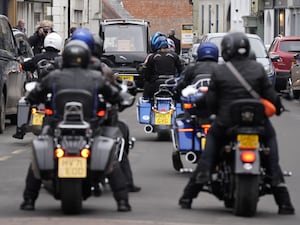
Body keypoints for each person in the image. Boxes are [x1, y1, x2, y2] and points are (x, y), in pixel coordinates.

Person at [178, 32, 295, 215]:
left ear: (226, 50)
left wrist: (201, 106)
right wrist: (279, 107)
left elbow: (211, 100)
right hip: (258, 124)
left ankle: (188, 195)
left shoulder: (220, 71)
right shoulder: (258, 69)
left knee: (209, 155)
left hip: (226, 124)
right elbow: (271, 96)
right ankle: (283, 200)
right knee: (271, 154)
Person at [20, 40, 132, 212]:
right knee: (111, 160)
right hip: (91, 127)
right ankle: (122, 202)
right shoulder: (96, 78)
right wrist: (122, 100)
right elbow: (116, 96)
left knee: (37, 157)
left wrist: (31, 98)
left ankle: (29, 200)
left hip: (57, 126)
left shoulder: (54, 76)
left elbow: (34, 94)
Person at [70, 28, 141, 193]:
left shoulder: (58, 68)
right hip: (95, 122)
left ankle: (30, 195)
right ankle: (126, 183)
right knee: (119, 136)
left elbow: (41, 88)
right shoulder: (102, 71)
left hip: (63, 121)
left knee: (45, 137)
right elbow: (116, 95)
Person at [12, 32, 63, 140]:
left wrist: (21, 65)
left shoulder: (38, 57)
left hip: (41, 87)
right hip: (56, 88)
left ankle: (20, 130)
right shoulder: (62, 59)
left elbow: (24, 66)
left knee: (28, 101)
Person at [143, 32, 183, 100]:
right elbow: (181, 71)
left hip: (155, 85)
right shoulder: (174, 56)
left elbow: (147, 75)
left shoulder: (152, 57)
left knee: (146, 96)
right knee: (179, 98)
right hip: (171, 84)